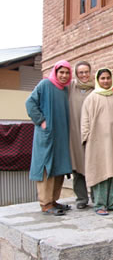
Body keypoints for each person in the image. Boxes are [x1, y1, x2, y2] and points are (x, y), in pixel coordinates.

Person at [81, 68, 113, 215]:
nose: (105, 81)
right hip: (97, 142)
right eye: (102, 78)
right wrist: (86, 137)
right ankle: (100, 204)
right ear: (97, 80)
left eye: (108, 78)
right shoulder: (91, 98)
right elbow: (85, 120)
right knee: (100, 172)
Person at [25, 60, 72, 216]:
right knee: (46, 167)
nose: (64, 76)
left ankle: (53, 200)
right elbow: (30, 103)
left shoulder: (64, 90)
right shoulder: (45, 85)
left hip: (61, 135)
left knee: (59, 167)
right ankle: (45, 204)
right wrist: (42, 121)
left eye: (67, 73)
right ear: (56, 72)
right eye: (61, 72)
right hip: (47, 135)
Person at [68, 61, 95, 209]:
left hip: (93, 133)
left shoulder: (96, 88)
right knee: (78, 168)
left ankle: (97, 197)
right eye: (81, 73)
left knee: (95, 165)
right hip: (75, 133)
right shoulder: (71, 87)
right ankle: (81, 198)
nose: (84, 75)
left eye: (86, 72)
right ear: (76, 74)